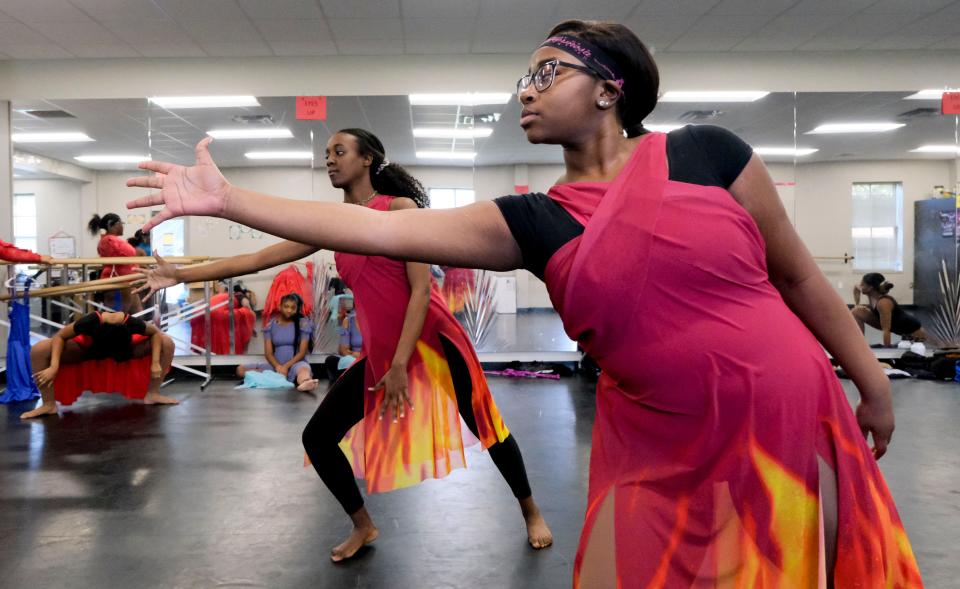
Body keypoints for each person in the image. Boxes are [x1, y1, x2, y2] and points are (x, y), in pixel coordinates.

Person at [127, 22, 921, 587]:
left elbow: (797, 277)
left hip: (776, 411)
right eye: (524, 78)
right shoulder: (533, 220)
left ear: (610, 89)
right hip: (652, 441)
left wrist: (871, 379)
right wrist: (227, 198)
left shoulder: (707, 153)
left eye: (548, 73)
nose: (526, 90)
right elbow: (355, 224)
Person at [135, 127, 552, 561]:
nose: (330, 159)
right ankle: (364, 526)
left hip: (432, 343)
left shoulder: (399, 208)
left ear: (368, 158)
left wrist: (398, 366)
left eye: (340, 151)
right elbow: (260, 258)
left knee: (487, 426)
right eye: (327, 153)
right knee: (318, 438)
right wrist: (183, 276)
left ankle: (531, 511)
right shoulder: (334, 225)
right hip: (382, 354)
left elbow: (421, 291)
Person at [20, 310, 179, 419]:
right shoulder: (90, 321)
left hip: (124, 351)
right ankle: (49, 404)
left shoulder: (129, 322)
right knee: (39, 349)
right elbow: (60, 336)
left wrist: (156, 362)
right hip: (89, 350)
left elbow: (155, 333)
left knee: (166, 342)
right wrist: (54, 366)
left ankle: (153, 394)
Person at [238, 293, 317, 392]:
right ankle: (274, 377)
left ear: (297, 309)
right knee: (240, 369)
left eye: (293, 307)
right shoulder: (270, 326)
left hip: (296, 363)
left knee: (303, 370)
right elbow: (269, 353)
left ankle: (306, 382)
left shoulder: (303, 324)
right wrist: (279, 367)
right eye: (286, 306)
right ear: (280, 307)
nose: (289, 310)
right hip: (275, 365)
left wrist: (286, 367)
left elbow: (301, 353)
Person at [853, 272, 927, 347]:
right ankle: (860, 344)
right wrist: (857, 305)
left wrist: (887, 349)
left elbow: (886, 330)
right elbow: (856, 287)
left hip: (915, 335)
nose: (860, 286)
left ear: (870, 288)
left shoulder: (883, 303)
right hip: (897, 328)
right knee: (856, 311)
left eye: (862, 284)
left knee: (889, 340)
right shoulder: (870, 292)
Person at [88, 213, 141, 313]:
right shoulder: (109, 240)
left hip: (124, 281)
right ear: (112, 225)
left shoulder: (110, 240)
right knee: (120, 317)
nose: (122, 226)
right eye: (121, 223)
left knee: (135, 314)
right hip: (118, 281)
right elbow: (127, 254)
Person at [324, 295, 362, 381]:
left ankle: (346, 378)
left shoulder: (375, 322)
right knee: (331, 360)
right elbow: (343, 350)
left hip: (368, 360)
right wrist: (354, 355)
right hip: (353, 359)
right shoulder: (348, 320)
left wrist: (360, 355)